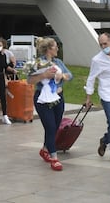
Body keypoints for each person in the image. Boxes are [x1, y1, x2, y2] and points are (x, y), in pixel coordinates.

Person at [26, 36, 72, 171]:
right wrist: (44, 75)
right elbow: (30, 80)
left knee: (55, 127)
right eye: (55, 46)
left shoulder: (58, 62)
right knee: (50, 126)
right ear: (49, 49)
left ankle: (45, 149)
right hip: (43, 99)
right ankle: (54, 157)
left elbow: (70, 75)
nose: (57, 48)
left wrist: (62, 76)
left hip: (58, 97)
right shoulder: (38, 63)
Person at [84, 33, 110, 166]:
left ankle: (105, 140)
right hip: (107, 94)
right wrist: (88, 97)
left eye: (105, 44)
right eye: (101, 44)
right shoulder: (97, 60)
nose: (103, 47)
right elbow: (91, 78)